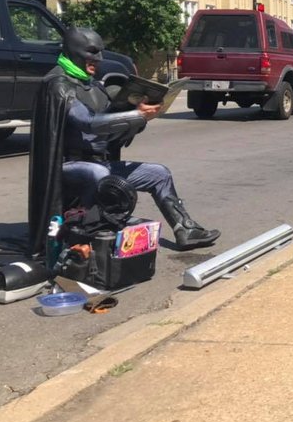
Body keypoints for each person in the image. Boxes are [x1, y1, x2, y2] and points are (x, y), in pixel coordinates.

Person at [28, 27, 220, 258]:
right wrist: (136, 116)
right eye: (91, 52)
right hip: (68, 166)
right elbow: (88, 122)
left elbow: (110, 131)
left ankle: (185, 229)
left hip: (100, 163)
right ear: (74, 50)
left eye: (100, 52)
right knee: (99, 175)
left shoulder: (94, 86)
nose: (98, 59)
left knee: (159, 173)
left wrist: (138, 119)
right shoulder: (58, 84)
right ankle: (91, 234)